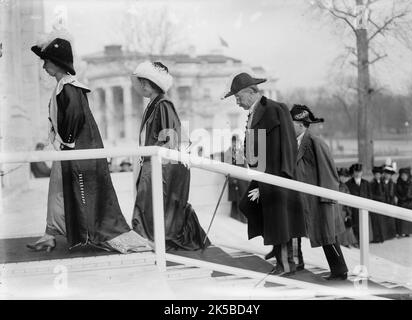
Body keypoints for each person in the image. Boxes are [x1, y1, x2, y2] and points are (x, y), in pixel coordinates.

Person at [27, 32, 147, 253]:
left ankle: (55, 234)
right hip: (69, 150)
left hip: (75, 151)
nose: (44, 66)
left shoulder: (69, 88)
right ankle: (50, 234)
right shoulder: (63, 86)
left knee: (64, 191)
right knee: (57, 190)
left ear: (56, 63)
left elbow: (74, 118)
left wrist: (67, 144)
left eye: (46, 61)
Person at [225, 72, 306, 275]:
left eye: (238, 97)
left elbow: (287, 145)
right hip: (263, 175)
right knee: (251, 207)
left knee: (280, 220)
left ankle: (286, 264)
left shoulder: (275, 109)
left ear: (251, 93)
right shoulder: (256, 111)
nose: (237, 103)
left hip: (277, 176)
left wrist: (283, 178)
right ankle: (276, 247)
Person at [131, 61, 210, 251]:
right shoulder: (154, 104)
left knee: (150, 203)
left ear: (154, 84)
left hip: (161, 165)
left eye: (145, 83)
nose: (142, 86)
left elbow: (171, 140)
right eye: (142, 82)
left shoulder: (163, 104)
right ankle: (147, 237)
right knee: (146, 203)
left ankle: (147, 238)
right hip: (152, 163)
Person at [291, 104, 348, 280]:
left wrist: (327, 197)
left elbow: (329, 172)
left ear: (300, 124)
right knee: (324, 234)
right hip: (308, 198)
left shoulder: (315, 142)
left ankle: (340, 271)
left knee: (327, 235)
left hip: (320, 198)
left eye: (291, 122)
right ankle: (337, 269)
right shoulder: (299, 142)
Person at [345, 163, 372, 244]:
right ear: (353, 172)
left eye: (359, 171)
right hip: (353, 209)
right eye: (356, 171)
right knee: (355, 225)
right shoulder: (348, 184)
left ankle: (365, 240)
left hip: (364, 207)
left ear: (362, 172)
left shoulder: (366, 183)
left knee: (364, 225)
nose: (357, 173)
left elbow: (369, 196)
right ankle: (356, 241)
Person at [225, 135, 248, 223]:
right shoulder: (228, 152)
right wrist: (232, 179)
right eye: (234, 142)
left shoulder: (241, 152)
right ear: (232, 142)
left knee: (241, 199)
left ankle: (242, 218)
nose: (236, 144)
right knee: (236, 201)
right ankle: (238, 218)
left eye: (237, 142)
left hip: (242, 180)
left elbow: (245, 166)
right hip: (234, 180)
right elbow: (226, 168)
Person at [337, 168, 358, 248]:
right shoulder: (337, 185)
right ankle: (342, 242)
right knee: (340, 226)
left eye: (346, 177)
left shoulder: (345, 186)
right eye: (342, 176)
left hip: (343, 209)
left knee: (346, 226)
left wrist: (348, 211)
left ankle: (347, 241)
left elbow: (348, 198)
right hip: (338, 208)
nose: (344, 178)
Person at [395, 167, 412, 236]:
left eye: (405, 175)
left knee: (409, 217)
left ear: (408, 176)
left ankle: (409, 232)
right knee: (401, 218)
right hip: (401, 203)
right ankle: (401, 232)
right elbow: (396, 193)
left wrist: (406, 197)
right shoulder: (398, 184)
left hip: (410, 203)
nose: (404, 177)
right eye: (402, 175)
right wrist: (402, 198)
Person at [369, 165, 386, 243]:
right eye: (376, 174)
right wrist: (379, 198)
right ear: (374, 175)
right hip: (375, 203)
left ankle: (382, 237)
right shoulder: (372, 183)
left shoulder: (382, 182)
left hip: (382, 204)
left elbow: (384, 192)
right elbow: (371, 194)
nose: (377, 176)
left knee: (381, 222)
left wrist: (383, 198)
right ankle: (376, 238)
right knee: (375, 222)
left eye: (379, 174)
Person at [381, 159, 397, 239]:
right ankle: (385, 235)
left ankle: (392, 234)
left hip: (391, 203)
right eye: (386, 173)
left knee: (391, 220)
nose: (387, 175)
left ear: (391, 175)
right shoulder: (381, 183)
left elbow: (394, 194)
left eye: (389, 174)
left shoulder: (393, 184)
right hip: (383, 203)